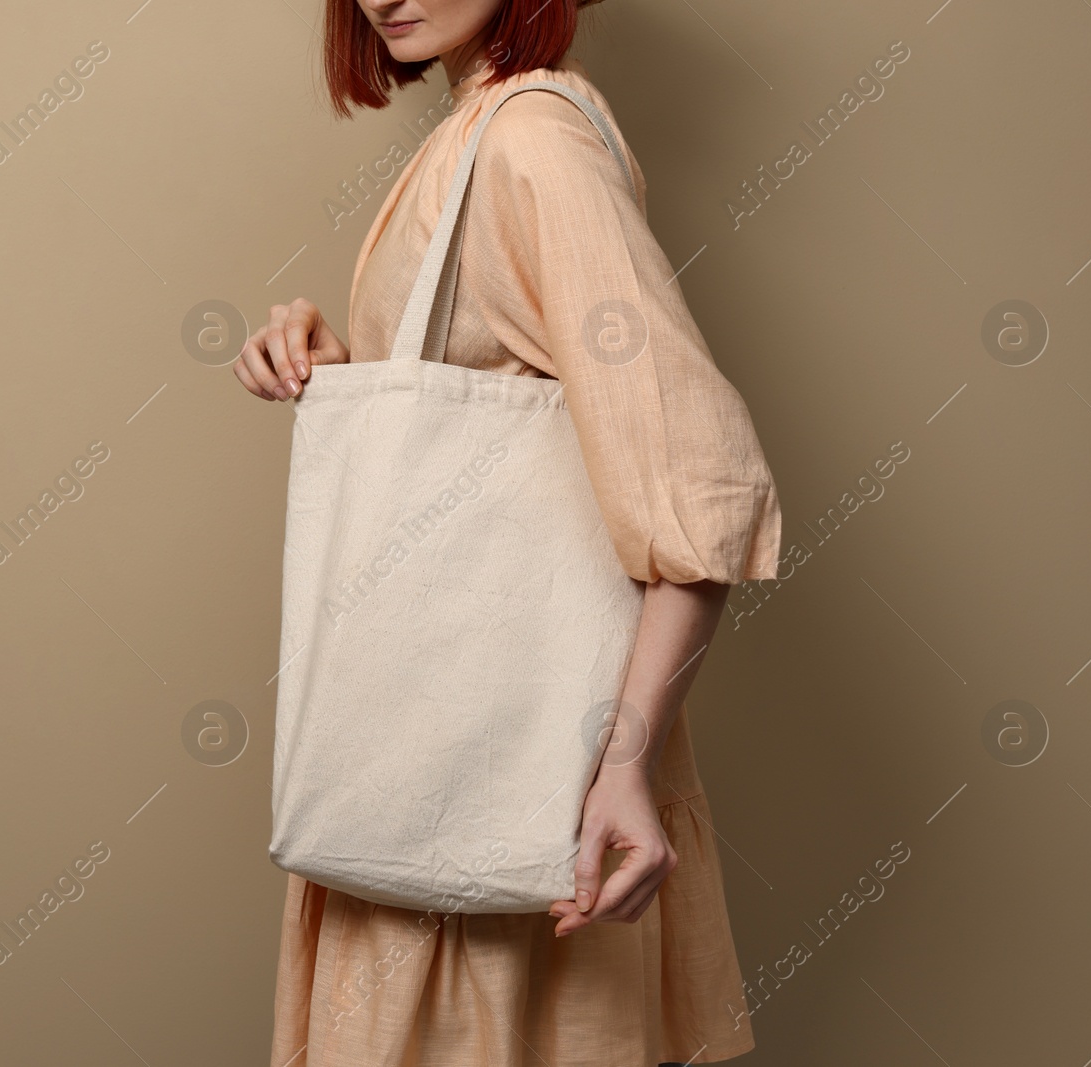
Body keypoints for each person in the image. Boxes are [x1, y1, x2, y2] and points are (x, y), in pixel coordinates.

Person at [234, 1, 783, 1063]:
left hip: (501, 805)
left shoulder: (532, 142)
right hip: (445, 789)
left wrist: (620, 763)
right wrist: (340, 369)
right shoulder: (476, 130)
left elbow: (692, 478)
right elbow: (491, 423)